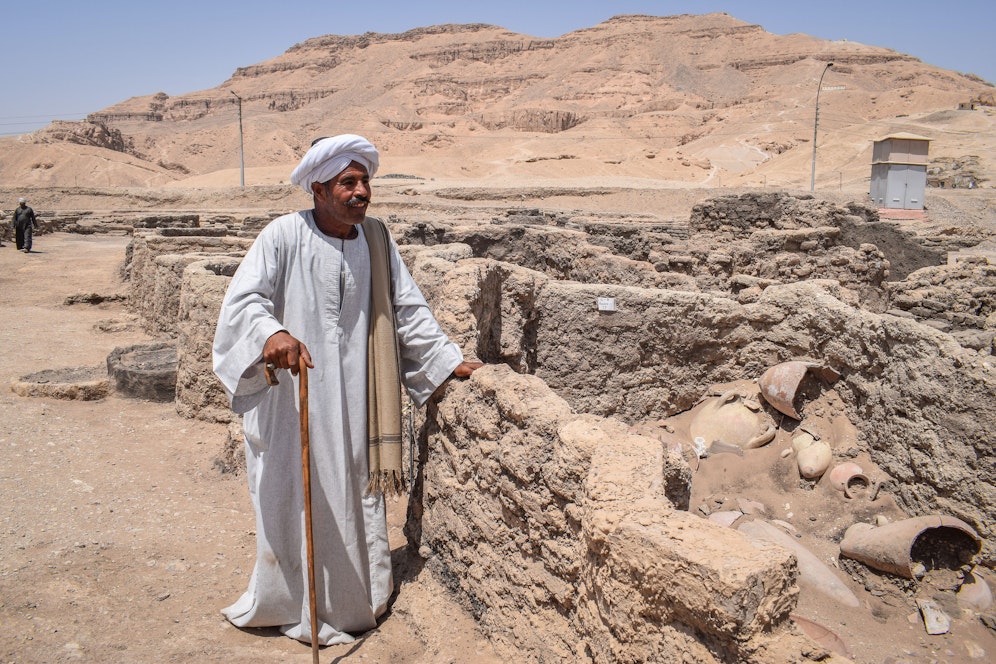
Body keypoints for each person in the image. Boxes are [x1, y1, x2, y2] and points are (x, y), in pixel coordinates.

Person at [212, 133, 481, 647]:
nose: (361, 193)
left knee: (354, 492)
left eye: (365, 182)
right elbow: (243, 301)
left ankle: (354, 601)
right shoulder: (282, 236)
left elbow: (407, 310)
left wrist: (445, 361)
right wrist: (273, 334)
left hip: (359, 397)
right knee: (289, 492)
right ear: (318, 188)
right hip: (295, 399)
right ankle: (289, 601)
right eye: (348, 183)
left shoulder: (378, 240)